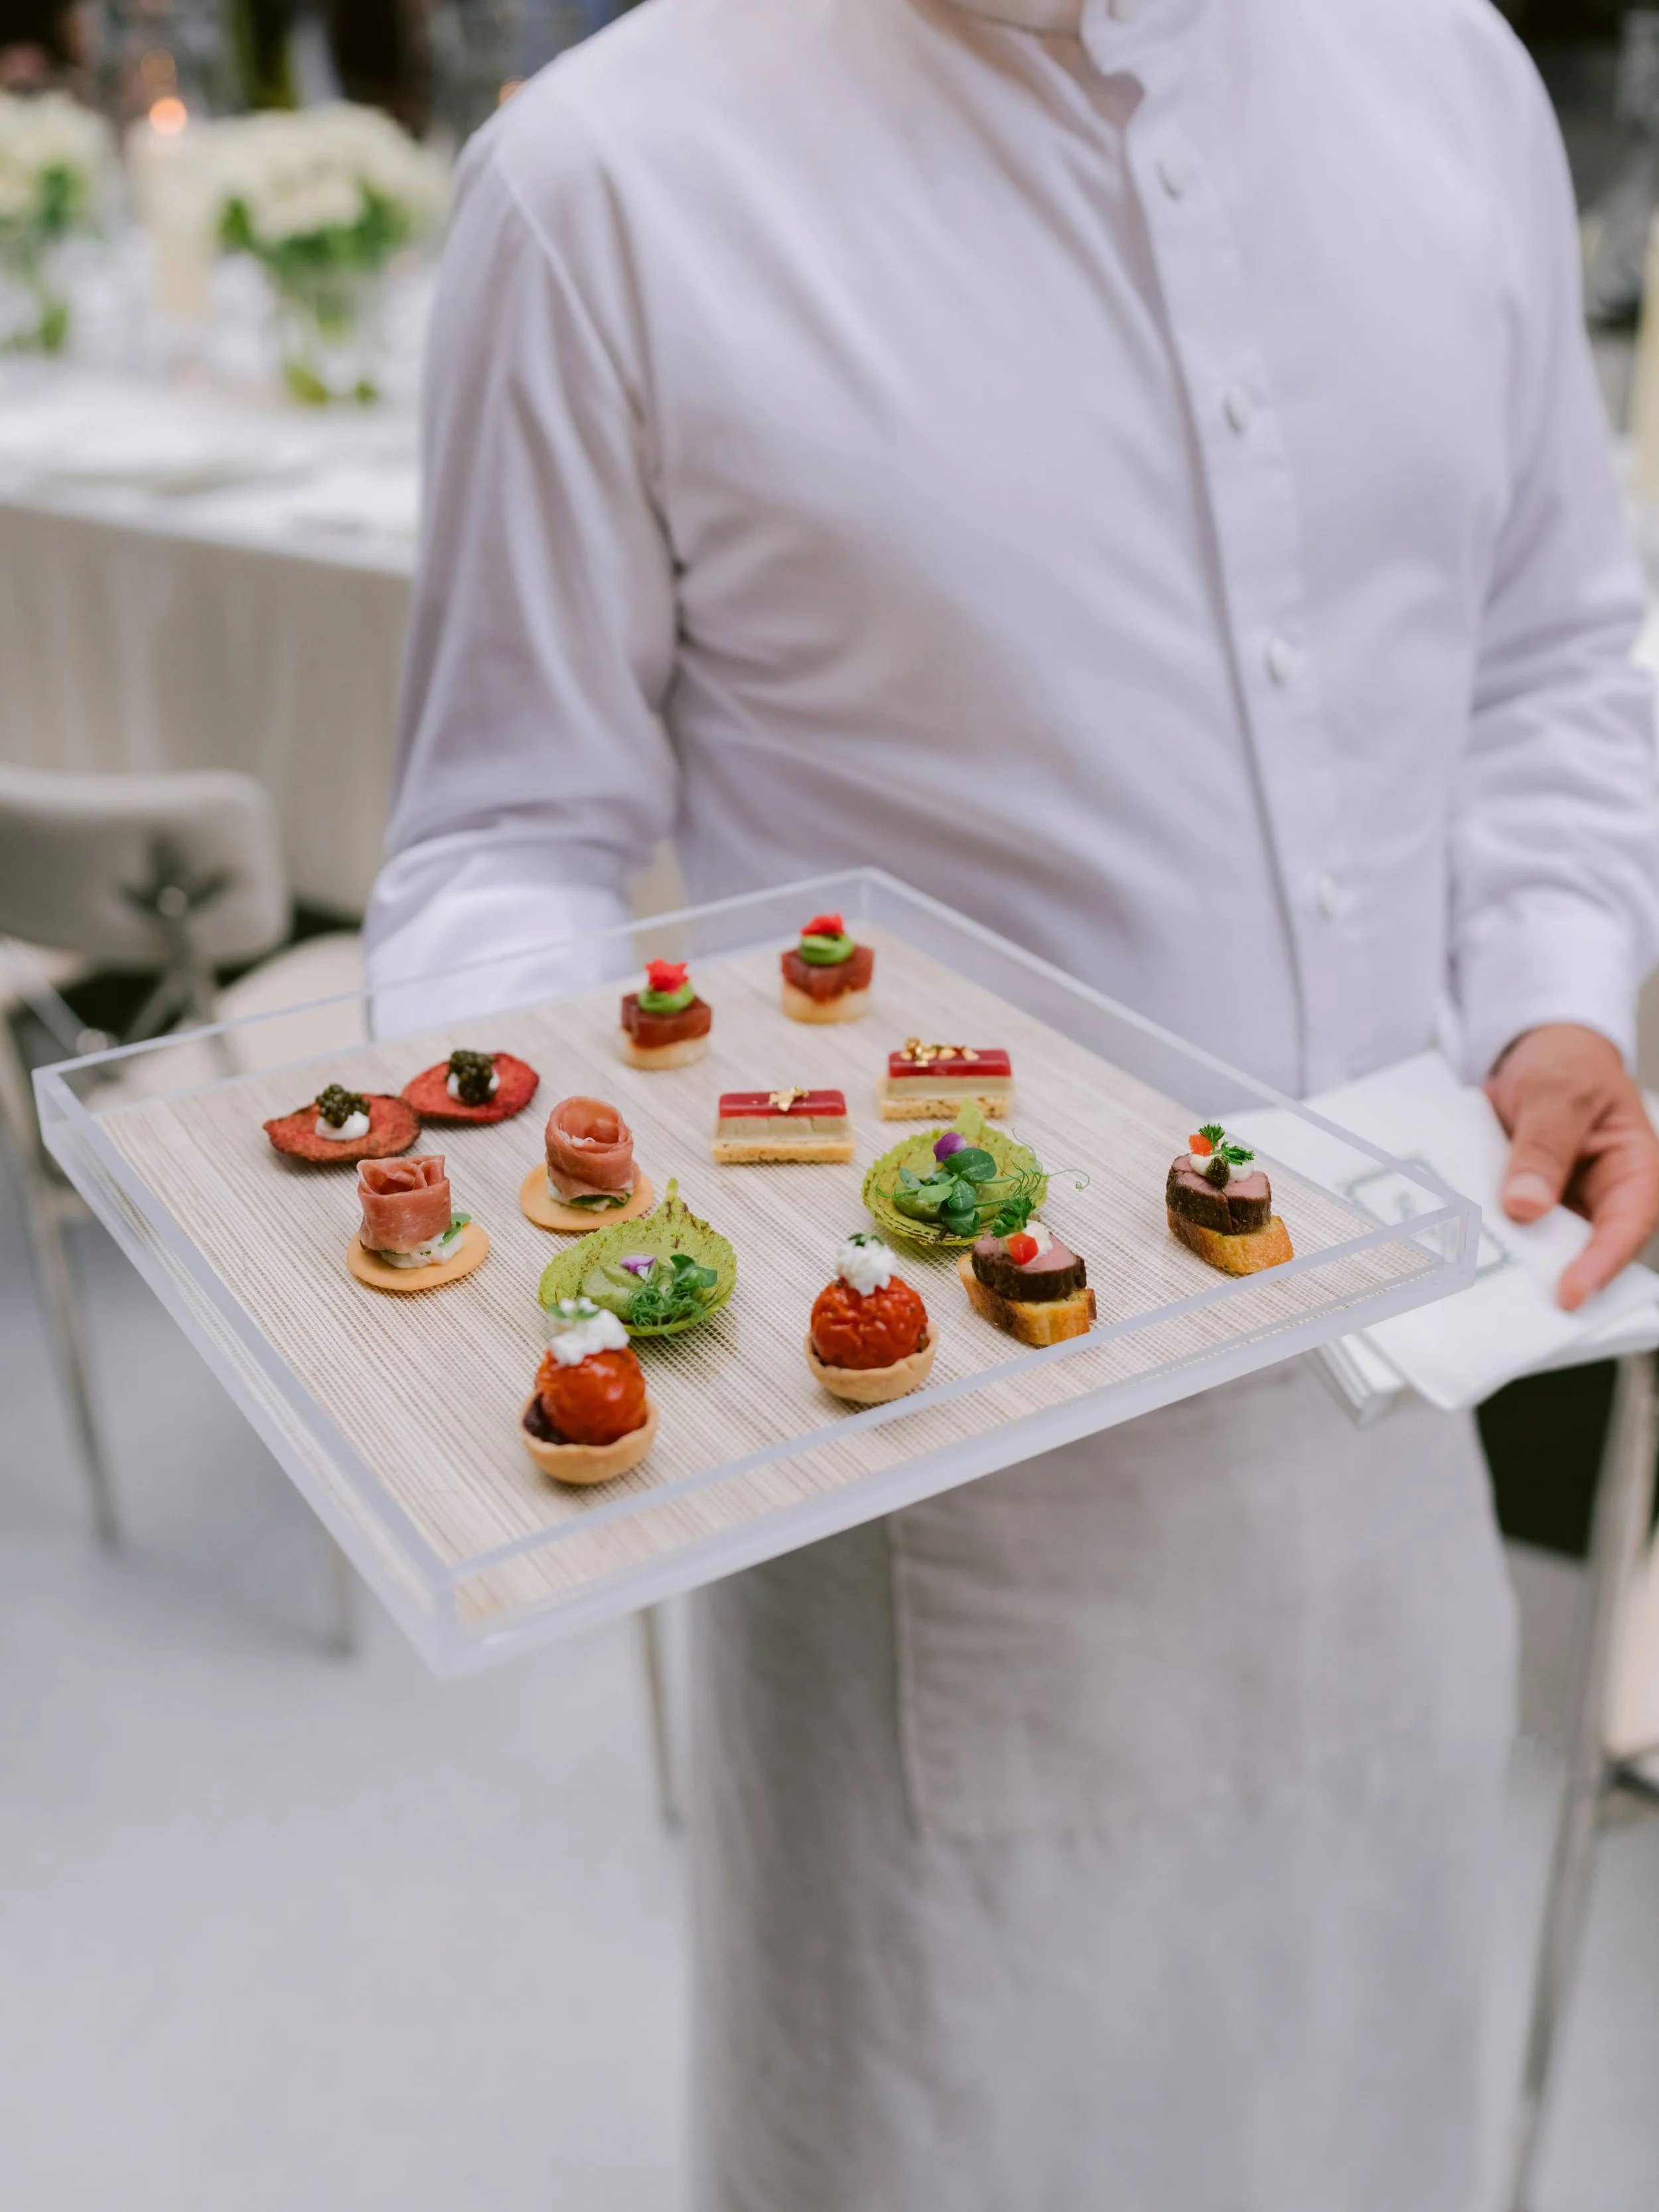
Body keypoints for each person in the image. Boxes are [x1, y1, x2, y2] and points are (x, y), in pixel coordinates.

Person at [364, 1, 1659, 2205]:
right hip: (939, 1532)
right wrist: (583, 1183)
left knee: (1365, 2133)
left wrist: (1552, 989)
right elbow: (503, 841)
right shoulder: (611, 179)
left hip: (1394, 1459)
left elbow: (1547, 647)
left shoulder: (1438, 66)